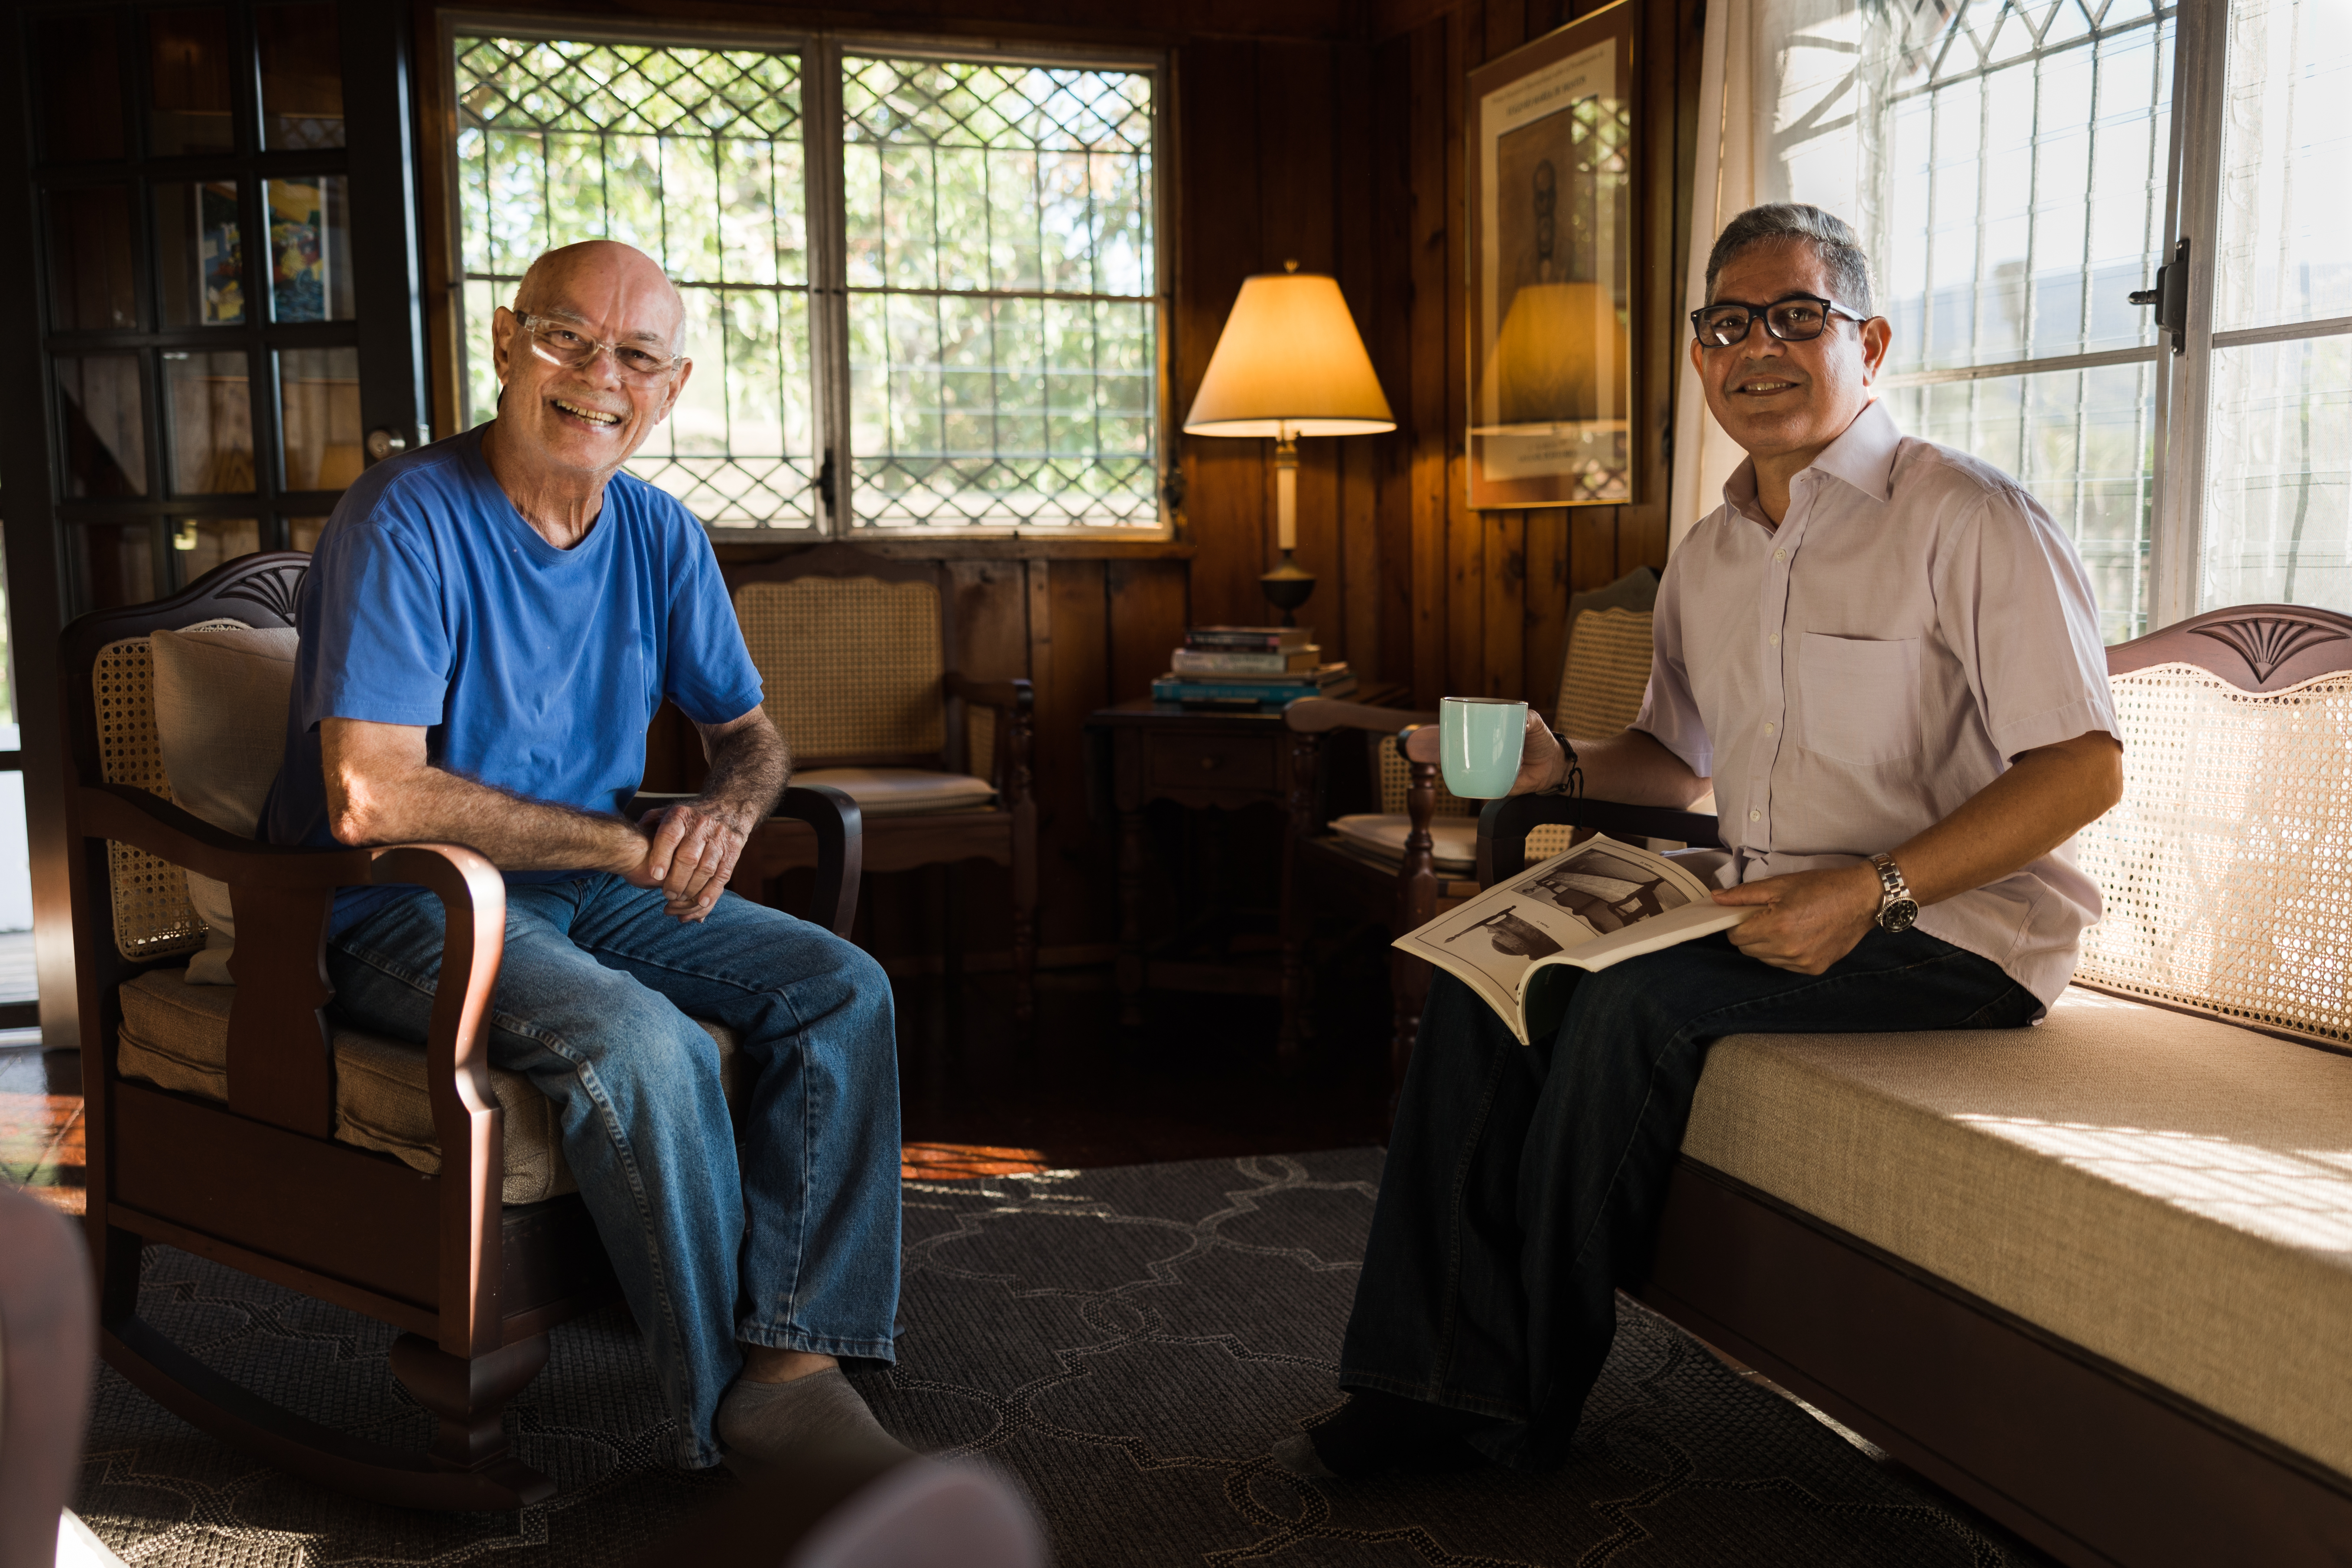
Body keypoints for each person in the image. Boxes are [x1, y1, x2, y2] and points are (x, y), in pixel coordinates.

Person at [1277, 204, 2125, 1479]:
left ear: (1870, 340)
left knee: (1627, 1008)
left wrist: (1873, 888)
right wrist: (1555, 756)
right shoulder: (1712, 552)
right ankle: (1419, 1379)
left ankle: (1512, 1409)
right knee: (1480, 981)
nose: (1757, 347)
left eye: (1794, 315)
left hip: (1952, 930)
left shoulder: (1968, 516)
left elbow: (2083, 767)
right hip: (1760, 903)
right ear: (1698, 358)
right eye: (1727, 323)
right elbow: (1673, 764)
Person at [261, 239, 907, 1474]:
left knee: (842, 987)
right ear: (506, 344)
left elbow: (752, 735)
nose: (598, 373)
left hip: (586, 893)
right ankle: (720, 1424)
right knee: (642, 1039)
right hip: (400, 907)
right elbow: (368, 794)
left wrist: (726, 803)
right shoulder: (405, 514)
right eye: (566, 337)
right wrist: (625, 842)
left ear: (671, 386)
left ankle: (796, 1359)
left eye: (637, 356)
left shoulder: (660, 533)